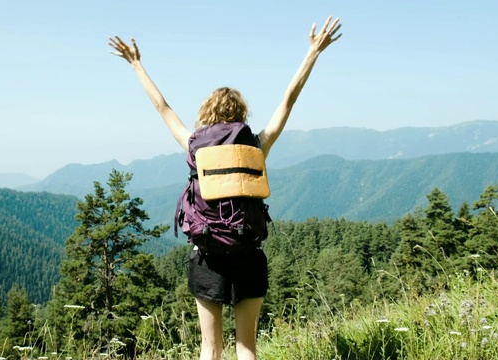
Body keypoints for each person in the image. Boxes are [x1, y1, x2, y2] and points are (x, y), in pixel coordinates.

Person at [108, 15, 342, 360]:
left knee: (210, 349)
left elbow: (163, 108)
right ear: (241, 113)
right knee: (246, 347)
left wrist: (136, 64)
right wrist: (313, 53)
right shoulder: (256, 146)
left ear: (207, 113)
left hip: (208, 257)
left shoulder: (194, 145)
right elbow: (288, 100)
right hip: (248, 254)